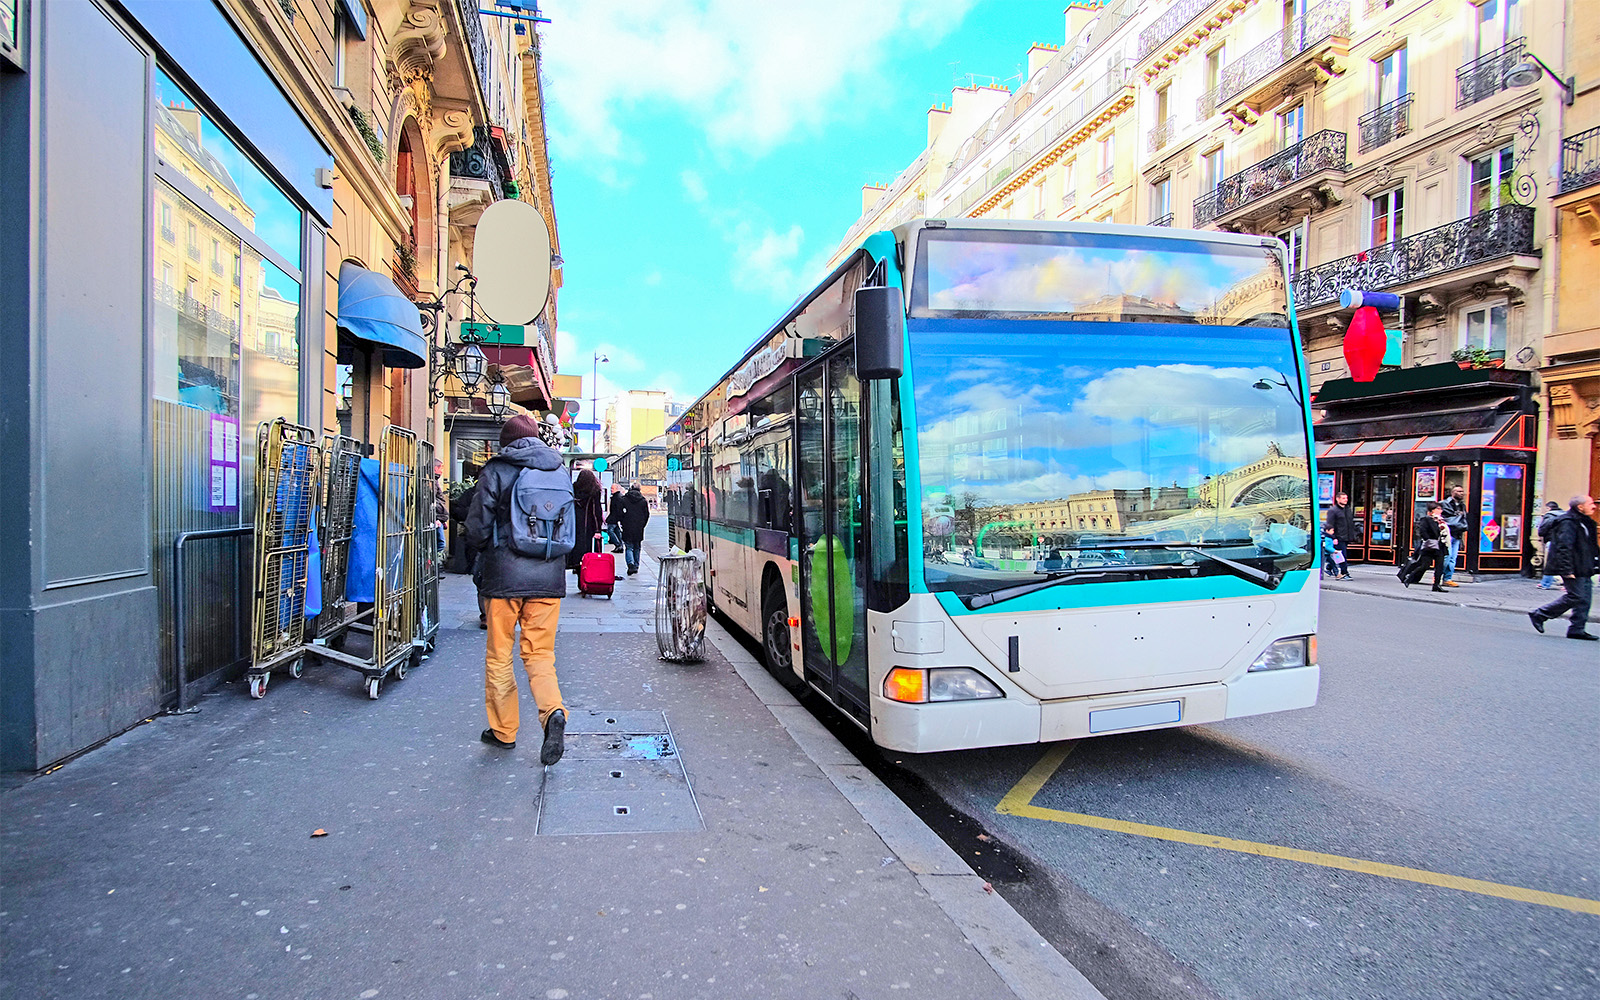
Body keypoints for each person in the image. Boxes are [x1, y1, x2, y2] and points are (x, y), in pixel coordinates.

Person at [465, 413, 571, 762]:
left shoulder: (497, 469)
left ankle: (503, 730)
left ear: (506, 442)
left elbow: (477, 527)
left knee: (500, 654)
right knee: (540, 654)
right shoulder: (559, 470)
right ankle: (552, 711)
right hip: (549, 576)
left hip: (503, 578)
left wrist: (482, 551)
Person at [1528, 495, 1599, 641]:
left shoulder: (1586, 522)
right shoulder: (1568, 522)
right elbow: (1563, 547)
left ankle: (1577, 629)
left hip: (1584, 566)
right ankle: (1540, 614)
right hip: (1573, 566)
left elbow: (1590, 547)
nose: (1594, 506)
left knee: (1585, 599)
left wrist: (1595, 564)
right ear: (1580, 507)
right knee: (1576, 596)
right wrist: (1566, 570)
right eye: (1590, 503)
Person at [1402, 501, 1448, 592]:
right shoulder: (1426, 519)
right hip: (1429, 546)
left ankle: (1436, 585)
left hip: (1440, 546)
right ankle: (1409, 577)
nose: (1440, 511)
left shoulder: (1441, 521)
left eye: (1440, 509)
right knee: (1425, 565)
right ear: (1431, 510)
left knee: (1440, 566)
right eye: (1438, 509)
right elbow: (1423, 531)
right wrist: (1429, 540)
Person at [568, 469, 605, 572]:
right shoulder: (594, 491)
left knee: (576, 545)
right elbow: (596, 511)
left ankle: (576, 564)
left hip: (574, 522)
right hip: (588, 524)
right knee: (587, 547)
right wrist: (597, 530)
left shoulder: (573, 489)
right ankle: (584, 569)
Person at [618, 480, 651, 576]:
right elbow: (646, 515)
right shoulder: (643, 501)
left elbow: (620, 513)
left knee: (629, 547)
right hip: (638, 527)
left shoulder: (624, 499)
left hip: (627, 526)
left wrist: (623, 523)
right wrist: (642, 524)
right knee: (637, 547)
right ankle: (636, 565)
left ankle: (630, 564)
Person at [1439, 484, 1469, 587]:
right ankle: (1438, 576)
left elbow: (1462, 520)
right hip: (1447, 534)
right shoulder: (1444, 503)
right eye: (1459, 491)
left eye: (1462, 491)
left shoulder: (1462, 506)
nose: (1462, 493)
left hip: (1457, 534)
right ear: (1453, 493)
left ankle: (1447, 578)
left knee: (1452, 558)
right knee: (1446, 557)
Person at [1322, 492, 1354, 580]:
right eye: (1343, 498)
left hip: (1346, 536)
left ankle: (1329, 567)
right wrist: (1333, 537)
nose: (1345, 500)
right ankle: (1344, 573)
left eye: (1346, 498)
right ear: (1338, 499)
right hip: (1338, 537)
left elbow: (1350, 523)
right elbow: (1329, 525)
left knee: (1339, 554)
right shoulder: (1333, 510)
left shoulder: (1347, 509)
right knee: (1342, 555)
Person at [1537, 500, 1564, 589]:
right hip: (1564, 541)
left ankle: (1545, 583)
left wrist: (1541, 534)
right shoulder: (1565, 515)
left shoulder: (1549, 515)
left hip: (1552, 540)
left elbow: (1543, 528)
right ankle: (1566, 583)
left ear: (1549, 508)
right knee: (1563, 562)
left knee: (1550, 563)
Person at [606, 483, 626, 553]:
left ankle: (618, 545)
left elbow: (617, 510)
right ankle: (620, 546)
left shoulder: (616, 497)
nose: (611, 490)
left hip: (614, 518)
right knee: (617, 532)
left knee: (610, 531)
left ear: (617, 489)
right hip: (615, 518)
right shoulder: (619, 496)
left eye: (612, 488)